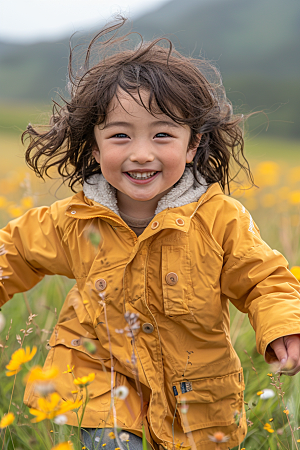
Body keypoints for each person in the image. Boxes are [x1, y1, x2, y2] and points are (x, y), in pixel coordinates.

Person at [1, 17, 300, 450]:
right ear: (95, 144)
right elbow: (13, 252)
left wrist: (285, 328)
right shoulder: (73, 221)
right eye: (120, 135)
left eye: (163, 135)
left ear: (192, 144)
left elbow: (264, 280)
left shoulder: (220, 220)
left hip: (195, 400)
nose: (141, 153)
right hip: (99, 379)